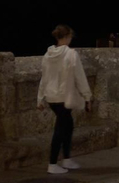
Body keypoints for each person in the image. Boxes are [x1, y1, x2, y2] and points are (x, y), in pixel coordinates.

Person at [37, 24, 92, 175]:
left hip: (51, 97)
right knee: (61, 129)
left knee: (67, 125)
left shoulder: (48, 55)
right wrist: (87, 97)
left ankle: (67, 159)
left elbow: (44, 78)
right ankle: (53, 163)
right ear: (68, 37)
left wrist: (40, 98)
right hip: (63, 96)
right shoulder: (71, 54)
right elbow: (80, 77)